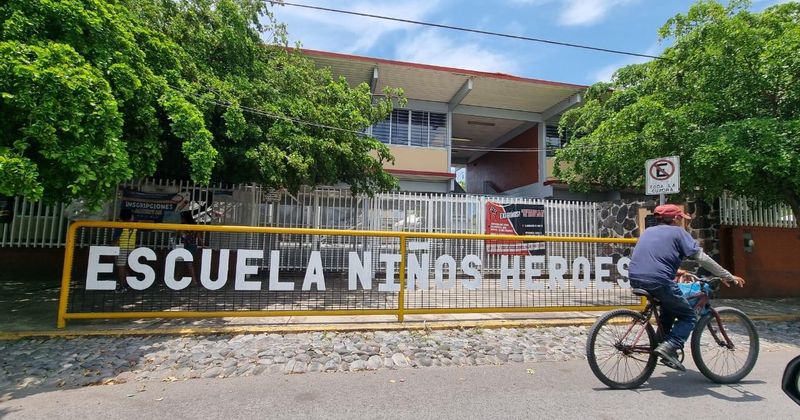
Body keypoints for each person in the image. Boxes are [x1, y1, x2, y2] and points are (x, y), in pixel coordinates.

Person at [628, 204, 745, 372]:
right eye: (681, 218)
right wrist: (727, 275)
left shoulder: (648, 232)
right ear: (675, 219)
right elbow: (702, 258)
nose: (683, 222)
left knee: (669, 310)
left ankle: (663, 345)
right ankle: (670, 346)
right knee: (689, 316)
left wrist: (676, 271)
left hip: (636, 278)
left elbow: (652, 259)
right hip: (659, 281)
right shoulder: (678, 233)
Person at [113, 208, 137, 293]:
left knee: (121, 267)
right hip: (131, 248)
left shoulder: (120, 226)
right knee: (125, 267)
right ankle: (128, 284)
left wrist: (114, 248)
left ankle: (123, 286)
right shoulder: (134, 225)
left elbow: (116, 239)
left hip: (121, 248)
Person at [178, 210, 203, 285]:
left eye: (182, 218)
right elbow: (199, 238)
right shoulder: (191, 227)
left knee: (188, 263)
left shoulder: (187, 227)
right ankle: (177, 277)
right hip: (190, 246)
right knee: (183, 263)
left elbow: (179, 235)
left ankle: (194, 280)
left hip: (189, 247)